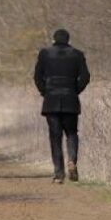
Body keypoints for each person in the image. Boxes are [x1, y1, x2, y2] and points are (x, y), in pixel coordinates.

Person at [33, 29, 90, 184]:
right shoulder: (78, 54)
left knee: (55, 137)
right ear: (68, 40)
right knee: (71, 133)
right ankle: (72, 160)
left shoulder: (45, 53)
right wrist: (75, 90)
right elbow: (85, 77)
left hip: (51, 101)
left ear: (54, 40)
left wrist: (45, 91)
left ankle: (59, 174)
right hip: (70, 99)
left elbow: (37, 76)